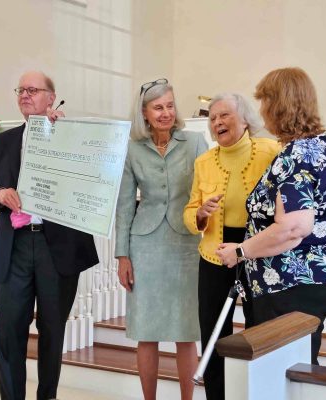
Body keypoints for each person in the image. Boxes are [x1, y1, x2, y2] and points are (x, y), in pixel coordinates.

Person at [0, 71, 99, 400]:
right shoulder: (1, 142)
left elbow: (93, 177)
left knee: (52, 331)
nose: (24, 95)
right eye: (21, 90)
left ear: (51, 98)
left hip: (56, 248)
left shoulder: (71, 137)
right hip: (13, 247)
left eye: (33, 90)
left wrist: (65, 135)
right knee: (9, 333)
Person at [216, 67, 326, 365]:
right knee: (297, 369)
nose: (262, 111)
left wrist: (240, 251)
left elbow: (293, 228)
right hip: (321, 274)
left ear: (278, 104)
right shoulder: (324, 146)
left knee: (278, 374)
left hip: (293, 282)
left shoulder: (297, 156)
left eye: (265, 101)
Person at [115, 78, 208, 400]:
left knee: (186, 331)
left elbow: (206, 192)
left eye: (170, 105)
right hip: (145, 246)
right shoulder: (131, 149)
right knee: (147, 331)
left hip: (186, 243)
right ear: (144, 112)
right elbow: (125, 204)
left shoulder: (196, 142)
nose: (166, 112)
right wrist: (122, 256)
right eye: (158, 107)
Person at [183, 93, 280, 400]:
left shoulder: (270, 150)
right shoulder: (203, 162)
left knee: (259, 330)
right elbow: (190, 210)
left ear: (245, 119)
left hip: (258, 255)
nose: (217, 123)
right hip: (215, 256)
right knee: (213, 335)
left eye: (224, 115)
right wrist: (199, 214)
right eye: (213, 118)